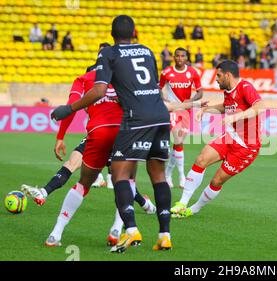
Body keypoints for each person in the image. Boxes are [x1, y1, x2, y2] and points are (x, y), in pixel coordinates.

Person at [51, 15, 197, 253]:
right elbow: (148, 85)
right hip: (160, 116)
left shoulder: (108, 53)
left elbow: (99, 90)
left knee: (119, 174)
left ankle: (130, 230)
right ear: (135, 32)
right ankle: (164, 235)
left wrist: (69, 108)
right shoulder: (148, 51)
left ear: (111, 34)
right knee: (158, 175)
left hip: (136, 119)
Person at [23, 63, 158, 247]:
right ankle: (117, 230)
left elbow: (71, 107)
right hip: (123, 134)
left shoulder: (84, 79)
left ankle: (55, 233)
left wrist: (60, 136)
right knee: (125, 182)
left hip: (97, 134)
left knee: (82, 184)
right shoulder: (126, 77)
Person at [170, 60, 265, 218]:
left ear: (228, 75)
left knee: (216, 181)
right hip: (230, 137)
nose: (216, 79)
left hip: (246, 147)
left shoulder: (245, 87)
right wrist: (206, 109)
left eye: (219, 76)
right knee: (201, 159)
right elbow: (226, 106)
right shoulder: (228, 90)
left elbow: (260, 106)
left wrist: (236, 117)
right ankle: (182, 203)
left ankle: (194, 209)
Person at [159, 47, 203, 189]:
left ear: (186, 58)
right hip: (173, 110)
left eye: (182, 56)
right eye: (177, 56)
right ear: (173, 57)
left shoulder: (192, 72)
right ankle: (182, 176)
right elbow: (159, 88)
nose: (179, 58)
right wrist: (164, 100)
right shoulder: (166, 72)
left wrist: (191, 100)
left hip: (186, 111)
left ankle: (167, 173)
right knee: (178, 139)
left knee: (178, 144)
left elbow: (200, 92)